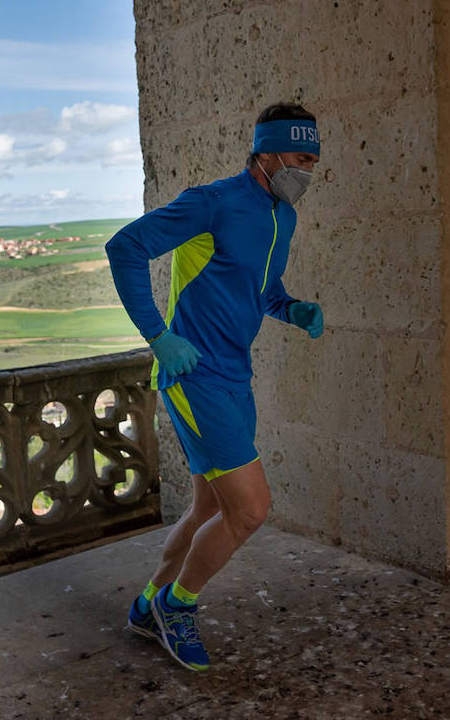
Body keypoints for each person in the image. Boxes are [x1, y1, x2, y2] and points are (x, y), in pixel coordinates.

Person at [104, 102, 326, 672]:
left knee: (210, 504)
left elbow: (261, 287)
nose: (310, 170)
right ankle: (179, 608)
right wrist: (159, 337)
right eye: (302, 158)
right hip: (191, 373)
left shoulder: (284, 217)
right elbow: (124, 247)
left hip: (235, 375)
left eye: (315, 161)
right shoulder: (215, 201)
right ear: (268, 152)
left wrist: (292, 308)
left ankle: (149, 601)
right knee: (251, 511)